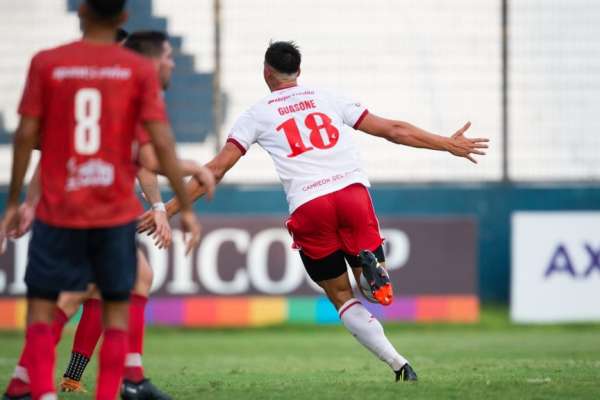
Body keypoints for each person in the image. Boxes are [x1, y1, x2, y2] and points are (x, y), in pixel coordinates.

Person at [140, 40, 489, 382]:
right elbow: (393, 131)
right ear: (298, 72)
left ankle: (399, 364)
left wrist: (167, 208)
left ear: (266, 72)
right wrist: (448, 144)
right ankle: (372, 271)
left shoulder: (256, 114)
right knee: (376, 293)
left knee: (341, 296)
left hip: (310, 204)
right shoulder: (329, 97)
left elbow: (215, 170)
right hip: (352, 194)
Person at [0, 1, 200, 399]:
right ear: (123, 19)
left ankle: (40, 384)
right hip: (106, 210)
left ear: (82, 13)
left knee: (62, 297)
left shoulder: (51, 64)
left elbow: (33, 140)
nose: (170, 66)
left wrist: (19, 201)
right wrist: (183, 196)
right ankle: (117, 381)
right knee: (103, 295)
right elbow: (150, 149)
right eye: (168, 59)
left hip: (64, 206)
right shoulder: (131, 75)